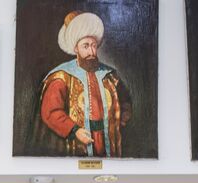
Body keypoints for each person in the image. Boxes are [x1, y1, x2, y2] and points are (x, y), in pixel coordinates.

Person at [38, 11, 132, 157]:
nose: (91, 51)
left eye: (94, 45)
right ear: (76, 48)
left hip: (108, 139)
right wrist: (74, 130)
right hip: (78, 139)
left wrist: (118, 122)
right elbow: (51, 112)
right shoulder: (61, 76)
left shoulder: (110, 75)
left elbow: (126, 103)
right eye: (86, 46)